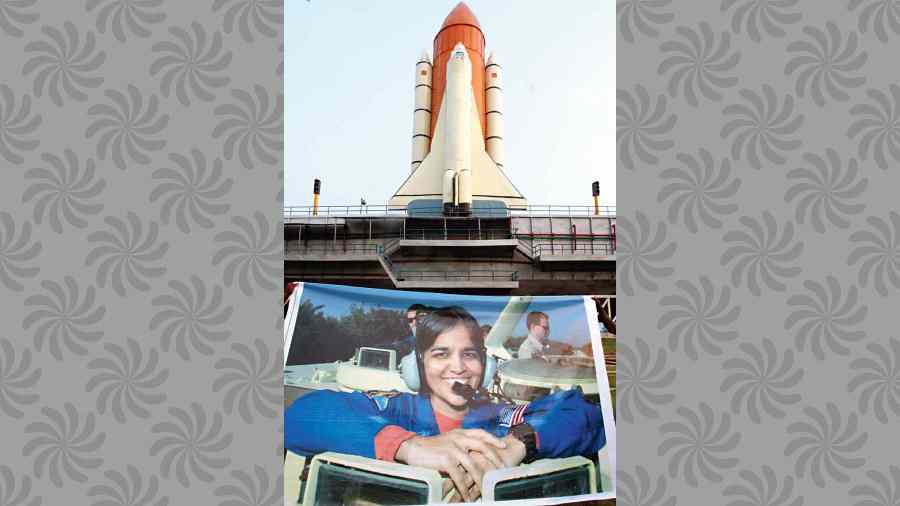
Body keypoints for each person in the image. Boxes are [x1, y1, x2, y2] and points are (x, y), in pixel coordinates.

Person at [285, 306, 605, 502]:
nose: (458, 367)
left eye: (469, 354)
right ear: (418, 366)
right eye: (441, 354)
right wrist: (409, 446)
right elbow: (300, 414)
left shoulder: (503, 418)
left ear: (486, 365)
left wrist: (518, 443)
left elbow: (587, 415)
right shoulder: (397, 409)